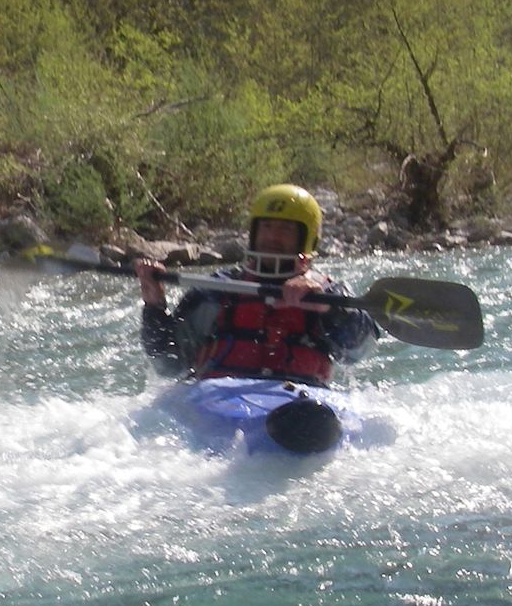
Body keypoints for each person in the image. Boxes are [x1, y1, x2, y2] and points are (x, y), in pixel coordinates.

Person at [134, 183, 380, 452]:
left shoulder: (328, 294)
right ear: (253, 232)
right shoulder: (216, 291)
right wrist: (154, 306)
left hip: (302, 402)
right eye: (267, 227)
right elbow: (168, 362)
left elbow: (361, 349)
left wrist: (328, 308)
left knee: (322, 421)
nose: (273, 237)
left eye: (285, 229)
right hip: (218, 398)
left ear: (307, 239)